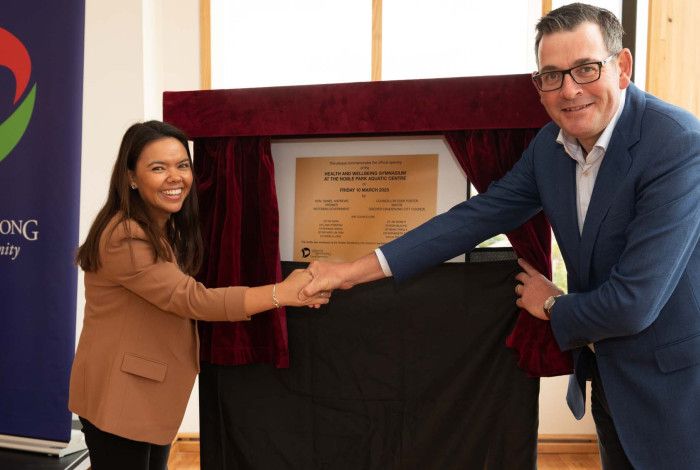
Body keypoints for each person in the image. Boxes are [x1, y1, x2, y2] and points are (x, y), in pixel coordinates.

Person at [301, 3, 700, 469]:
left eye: (586, 69)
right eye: (551, 75)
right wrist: (352, 272)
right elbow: (474, 218)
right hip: (610, 381)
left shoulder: (677, 144)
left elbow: (633, 304)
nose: (569, 90)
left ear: (623, 67)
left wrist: (552, 305)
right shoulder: (549, 150)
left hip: (677, 388)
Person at [69, 121, 328, 470]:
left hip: (143, 390)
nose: (175, 177)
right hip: (121, 395)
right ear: (131, 177)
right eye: (158, 168)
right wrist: (283, 293)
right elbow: (194, 300)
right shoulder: (126, 236)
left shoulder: (161, 227)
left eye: (182, 165)